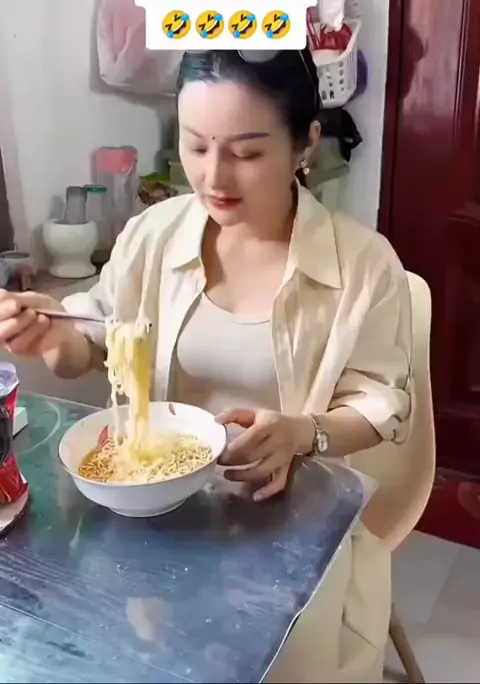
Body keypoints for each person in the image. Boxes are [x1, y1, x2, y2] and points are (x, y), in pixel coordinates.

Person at [0, 49, 412, 682]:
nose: (213, 177)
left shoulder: (363, 266)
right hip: (148, 511)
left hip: (285, 526)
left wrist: (305, 433)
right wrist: (48, 334)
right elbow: (91, 341)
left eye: (247, 153)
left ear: (305, 143)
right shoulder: (154, 234)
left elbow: (380, 402)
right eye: (195, 146)